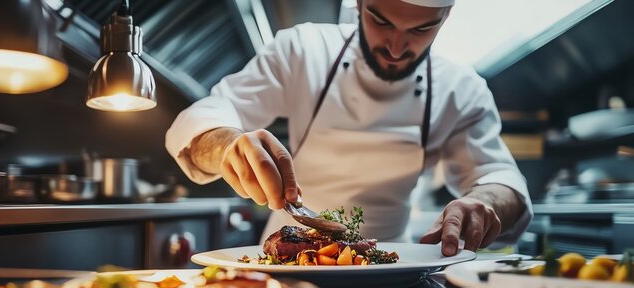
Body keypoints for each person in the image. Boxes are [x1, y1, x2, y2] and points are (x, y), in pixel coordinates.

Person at [166, 0, 533, 256]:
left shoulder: (460, 88)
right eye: (381, 20)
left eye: (422, 28)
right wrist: (227, 144)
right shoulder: (303, 49)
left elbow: (500, 177)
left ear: (446, 16)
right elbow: (206, 115)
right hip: (286, 264)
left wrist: (483, 203)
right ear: (358, 3)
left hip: (393, 267)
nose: (395, 47)